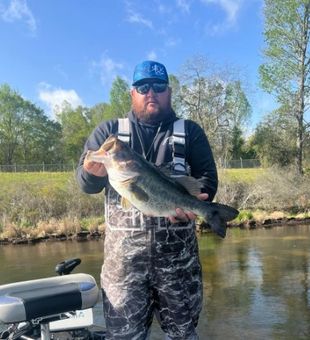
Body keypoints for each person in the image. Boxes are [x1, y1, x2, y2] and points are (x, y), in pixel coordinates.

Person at [76, 60, 218, 339]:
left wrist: (201, 201)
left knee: (183, 335)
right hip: (124, 272)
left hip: (180, 268)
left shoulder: (190, 132)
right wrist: (91, 171)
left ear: (169, 92)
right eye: (142, 86)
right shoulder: (109, 132)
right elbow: (85, 183)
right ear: (132, 93)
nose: (150, 92)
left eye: (158, 86)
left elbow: (206, 181)